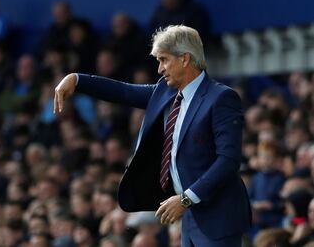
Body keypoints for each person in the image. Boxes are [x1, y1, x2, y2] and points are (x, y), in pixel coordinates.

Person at [54, 25, 251, 247]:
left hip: (218, 217)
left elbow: (229, 160)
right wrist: (77, 80)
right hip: (188, 216)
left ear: (185, 59)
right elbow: (124, 91)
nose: (160, 69)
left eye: (164, 60)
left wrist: (187, 198)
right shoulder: (165, 91)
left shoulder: (221, 98)